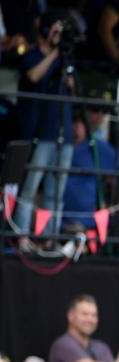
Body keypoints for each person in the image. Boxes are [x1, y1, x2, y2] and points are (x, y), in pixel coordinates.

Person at [14, 18, 73, 237]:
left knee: (55, 193)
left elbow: (74, 90)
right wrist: (53, 53)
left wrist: (64, 58)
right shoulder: (32, 56)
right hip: (40, 132)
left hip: (63, 133)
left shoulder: (63, 60)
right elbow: (33, 75)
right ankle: (20, 236)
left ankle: (51, 238)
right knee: (29, 188)